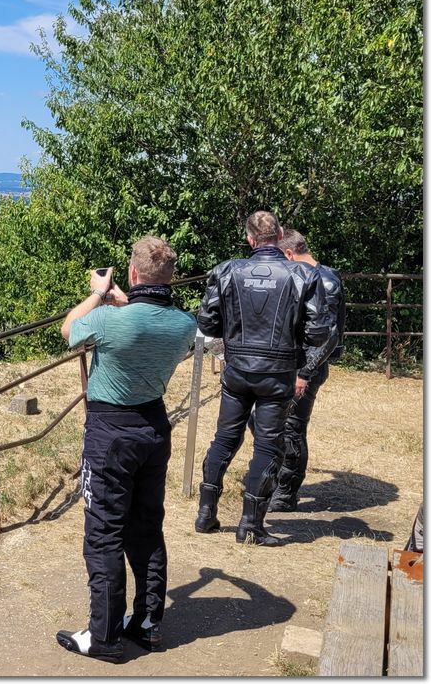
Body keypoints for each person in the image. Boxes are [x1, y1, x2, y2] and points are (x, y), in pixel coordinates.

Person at [54, 237, 198, 662]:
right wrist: (125, 303)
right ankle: (148, 623)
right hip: (154, 427)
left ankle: (104, 636)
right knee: (146, 527)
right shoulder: (184, 324)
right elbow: (145, 328)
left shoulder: (110, 321)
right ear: (168, 277)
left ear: (132, 274)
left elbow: (68, 330)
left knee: (103, 533)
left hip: (109, 432)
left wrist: (99, 293)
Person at [194, 211, 331, 546]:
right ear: (279, 234)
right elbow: (320, 331)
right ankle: (251, 524)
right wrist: (300, 362)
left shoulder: (227, 271)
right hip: (277, 372)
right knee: (268, 444)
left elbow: (208, 323)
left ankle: (206, 512)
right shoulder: (302, 274)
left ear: (250, 239)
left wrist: (234, 341)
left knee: (224, 438)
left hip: (238, 369)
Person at [269, 229, 345, 512]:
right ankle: (277, 478)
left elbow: (328, 336)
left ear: (289, 254)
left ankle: (286, 492)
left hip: (305, 369)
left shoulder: (325, 282)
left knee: (292, 428)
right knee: (271, 423)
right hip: (291, 364)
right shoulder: (312, 276)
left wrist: (305, 373)